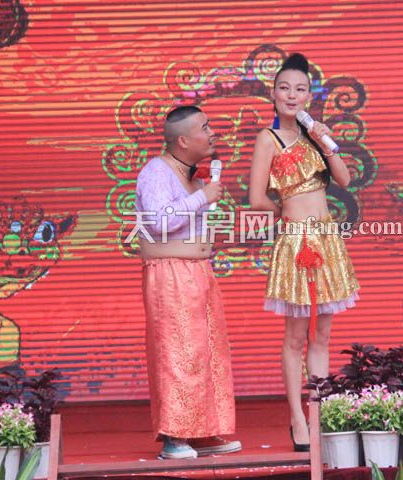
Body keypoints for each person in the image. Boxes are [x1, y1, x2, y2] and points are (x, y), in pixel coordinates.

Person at [248, 54, 360, 451]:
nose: (291, 95)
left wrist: (327, 142)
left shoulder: (315, 135)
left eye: (300, 89)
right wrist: (287, 215)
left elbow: (344, 180)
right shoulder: (268, 138)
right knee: (295, 337)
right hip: (296, 241)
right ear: (273, 94)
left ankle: (320, 414)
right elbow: (256, 198)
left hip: (327, 238)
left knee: (323, 334)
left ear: (309, 96)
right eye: (284, 88)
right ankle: (297, 418)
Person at [136, 106, 242, 459]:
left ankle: (201, 431)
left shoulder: (192, 175)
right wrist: (202, 198)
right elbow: (158, 222)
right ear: (183, 140)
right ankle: (174, 435)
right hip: (170, 275)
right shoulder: (156, 172)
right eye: (205, 128)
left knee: (206, 352)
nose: (212, 133)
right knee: (176, 352)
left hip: (198, 272)